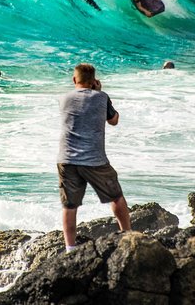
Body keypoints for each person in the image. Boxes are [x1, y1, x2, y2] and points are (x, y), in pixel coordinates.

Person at [57, 63, 131, 253]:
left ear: (74, 80)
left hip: (67, 159)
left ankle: (70, 248)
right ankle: (127, 235)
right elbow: (114, 120)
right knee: (116, 197)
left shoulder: (64, 98)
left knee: (69, 205)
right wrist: (99, 91)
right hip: (95, 160)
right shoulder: (101, 97)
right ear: (93, 81)